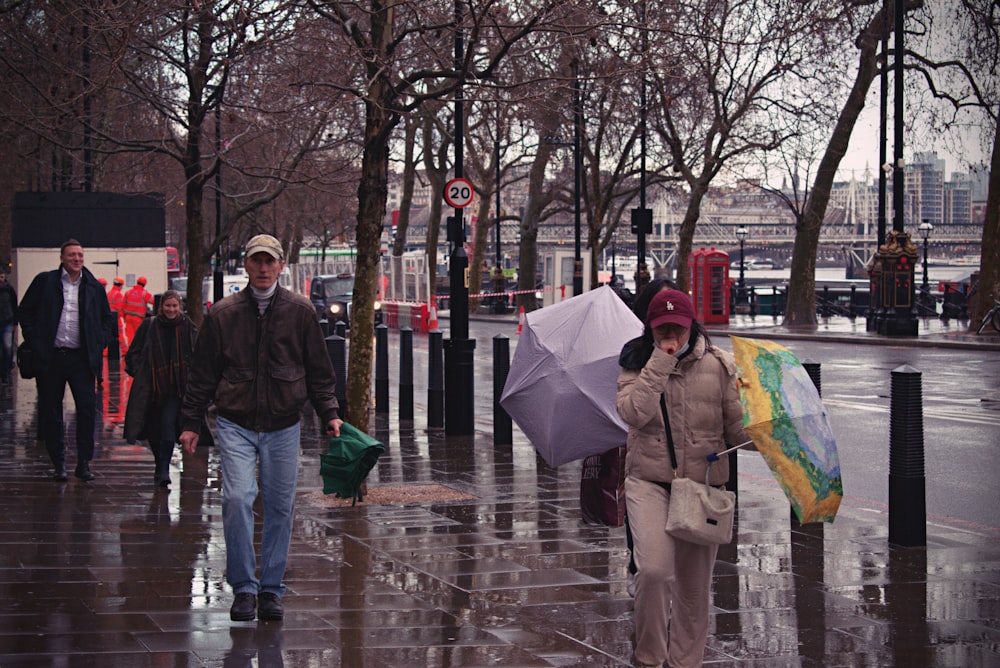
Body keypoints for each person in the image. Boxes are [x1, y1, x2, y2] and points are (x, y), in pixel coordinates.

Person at [179, 234, 343, 623]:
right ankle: (244, 588)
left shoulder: (300, 311)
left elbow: (319, 371)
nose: (264, 268)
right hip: (235, 420)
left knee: (280, 506)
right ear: (247, 266)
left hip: (284, 422)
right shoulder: (223, 314)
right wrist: (190, 422)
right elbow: (202, 374)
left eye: (270, 261)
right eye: (257, 261)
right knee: (237, 498)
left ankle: (270, 588)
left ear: (281, 264)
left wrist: (330, 413)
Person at [616, 288, 751, 668]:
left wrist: (770, 437)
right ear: (651, 329)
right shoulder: (636, 362)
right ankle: (649, 658)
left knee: (693, 590)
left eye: (677, 327)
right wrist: (659, 363)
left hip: (702, 488)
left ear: (692, 325)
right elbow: (632, 413)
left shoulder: (720, 365)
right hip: (649, 481)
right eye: (662, 329)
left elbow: (737, 431)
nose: (670, 335)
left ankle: (684, 663)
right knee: (655, 572)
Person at [19, 239, 116, 481]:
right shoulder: (46, 282)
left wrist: (99, 341)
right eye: (72, 255)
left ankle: (84, 462)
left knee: (86, 410)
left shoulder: (93, 286)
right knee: (52, 412)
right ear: (62, 258)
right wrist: (35, 339)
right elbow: (25, 311)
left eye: (80, 255)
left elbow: (107, 319)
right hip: (51, 358)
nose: (77, 259)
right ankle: (59, 462)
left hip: (81, 359)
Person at [124, 290, 198, 488]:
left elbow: (198, 353)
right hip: (151, 388)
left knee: (167, 425)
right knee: (153, 429)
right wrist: (141, 372)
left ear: (180, 307)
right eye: (168, 306)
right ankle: (159, 464)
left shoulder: (187, 327)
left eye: (175, 306)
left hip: (176, 389)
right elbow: (133, 353)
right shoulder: (150, 325)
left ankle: (164, 469)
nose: (171, 310)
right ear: (161, 307)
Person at [122, 275, 153, 351]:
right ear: (144, 284)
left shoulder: (128, 292)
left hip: (128, 317)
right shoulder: (144, 293)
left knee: (130, 336)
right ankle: (137, 351)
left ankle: (130, 350)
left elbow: (123, 305)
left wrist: (124, 317)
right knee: (139, 335)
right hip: (138, 318)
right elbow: (153, 301)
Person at [0, 269, 18, 382]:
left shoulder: (9, 290)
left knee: (7, 347)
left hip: (7, 322)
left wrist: (15, 322)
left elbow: (14, 306)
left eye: (1, 277)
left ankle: (5, 371)